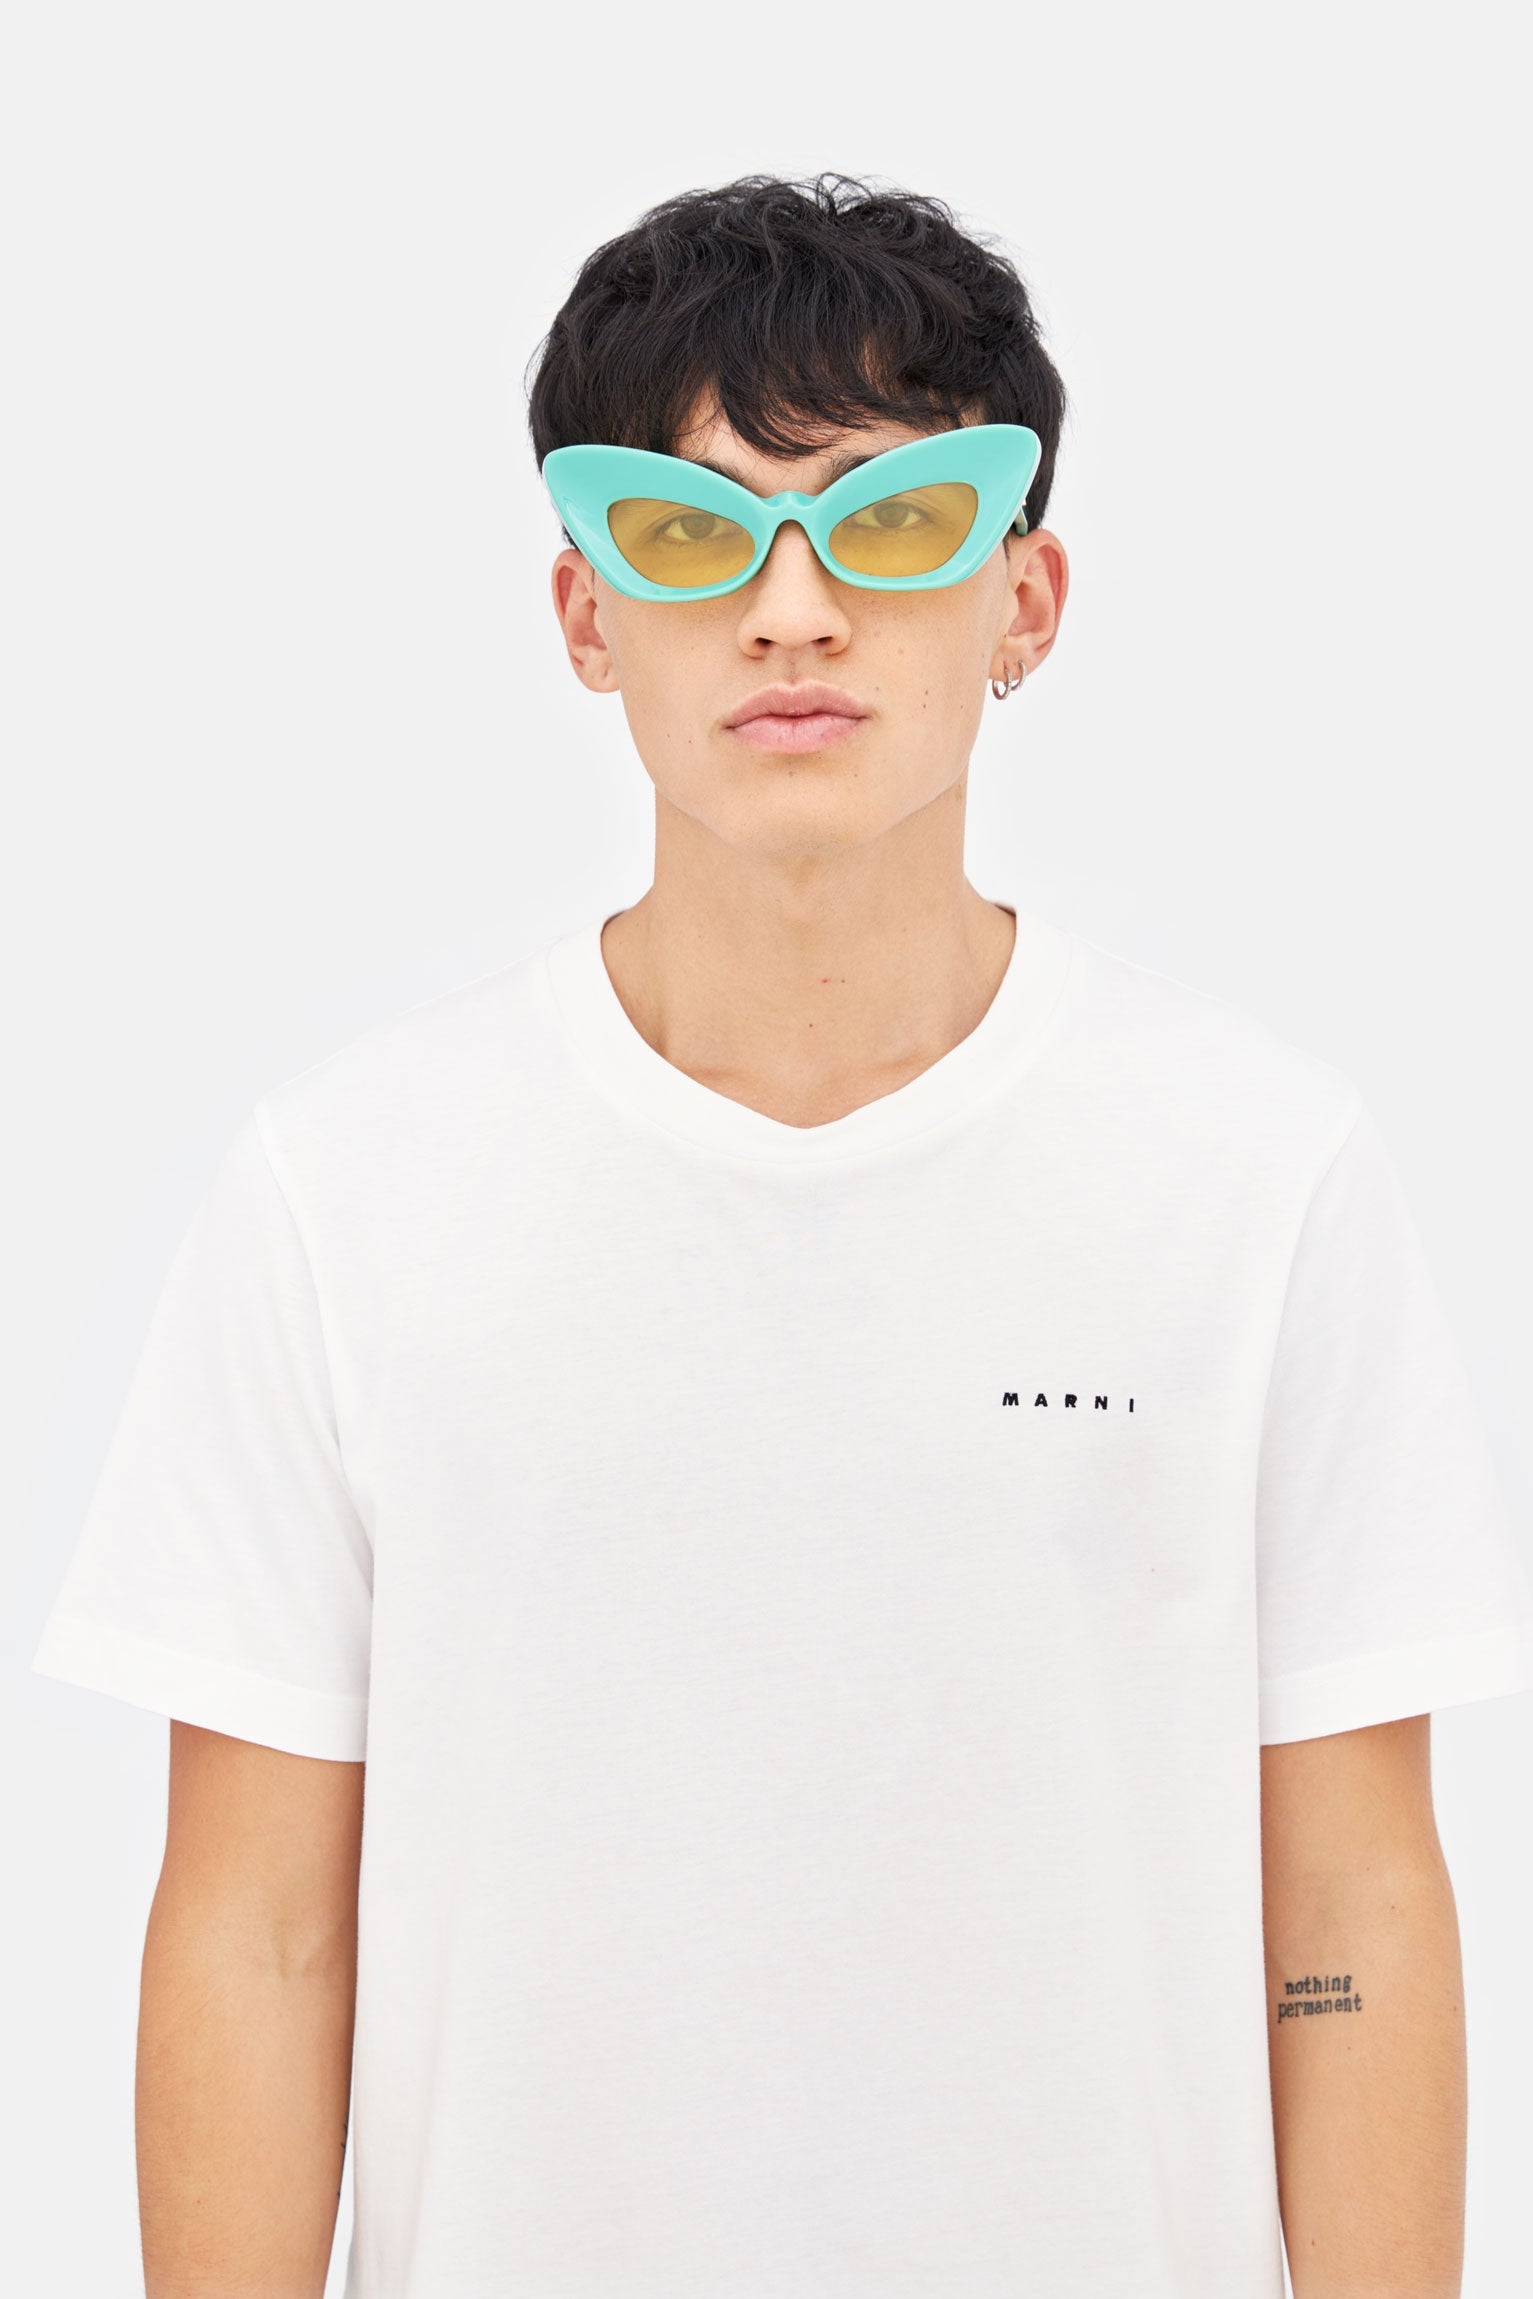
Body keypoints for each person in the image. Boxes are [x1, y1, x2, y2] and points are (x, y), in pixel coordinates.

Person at [31, 172, 1533, 2299]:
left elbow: (1348, 1911)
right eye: (691, 533)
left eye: (891, 520)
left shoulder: (1255, 1172)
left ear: (1025, 600)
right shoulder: (344, 1187)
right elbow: (259, 1929)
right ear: (583, 616)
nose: (794, 609)